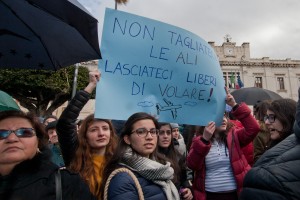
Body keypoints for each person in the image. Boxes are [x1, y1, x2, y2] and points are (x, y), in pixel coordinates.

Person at [0, 110, 95, 200]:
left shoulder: (66, 183)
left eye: (25, 132)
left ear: (38, 141)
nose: (12, 139)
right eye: (1, 134)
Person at [187, 88, 260, 200]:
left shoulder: (234, 136)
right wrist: (205, 140)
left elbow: (254, 128)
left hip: (235, 194)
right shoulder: (199, 140)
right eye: (219, 115)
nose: (224, 119)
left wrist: (234, 105)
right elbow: (192, 165)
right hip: (210, 195)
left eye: (225, 115)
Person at [56, 70, 118, 198]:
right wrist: (91, 85)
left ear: (111, 133)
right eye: (94, 130)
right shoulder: (75, 155)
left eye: (105, 128)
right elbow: (65, 123)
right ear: (85, 135)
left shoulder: (119, 158)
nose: (101, 133)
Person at [101, 112, 180, 200]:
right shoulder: (122, 179)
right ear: (127, 139)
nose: (149, 137)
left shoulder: (161, 167)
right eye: (141, 132)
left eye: (153, 131)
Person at [239, 90, 300, 200]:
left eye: (272, 117)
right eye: (266, 117)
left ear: (287, 118)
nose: (266, 122)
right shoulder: (272, 143)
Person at [158, 122, 193, 200]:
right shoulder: (151, 157)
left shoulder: (177, 155)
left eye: (168, 132)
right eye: (161, 133)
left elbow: (183, 179)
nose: (165, 136)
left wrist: (187, 189)